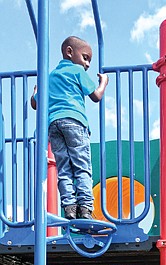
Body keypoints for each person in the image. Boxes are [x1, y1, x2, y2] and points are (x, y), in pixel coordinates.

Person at [31, 36, 108, 220]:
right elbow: (96, 96)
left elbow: (36, 104)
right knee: (82, 167)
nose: (87, 64)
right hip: (75, 122)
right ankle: (86, 208)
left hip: (54, 126)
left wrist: (34, 94)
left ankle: (69, 208)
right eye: (85, 57)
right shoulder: (77, 71)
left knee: (64, 169)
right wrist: (103, 82)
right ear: (69, 52)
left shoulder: (51, 77)